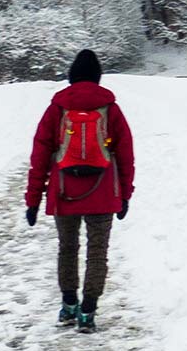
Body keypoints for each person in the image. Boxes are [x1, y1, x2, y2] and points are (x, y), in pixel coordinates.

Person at [25, 49, 135, 333]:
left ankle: (69, 305)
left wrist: (33, 200)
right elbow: (125, 155)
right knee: (97, 252)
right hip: (102, 192)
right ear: (98, 77)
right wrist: (125, 194)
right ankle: (88, 311)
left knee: (67, 248)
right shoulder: (111, 108)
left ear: (71, 75)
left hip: (64, 192)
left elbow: (39, 155)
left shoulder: (57, 108)